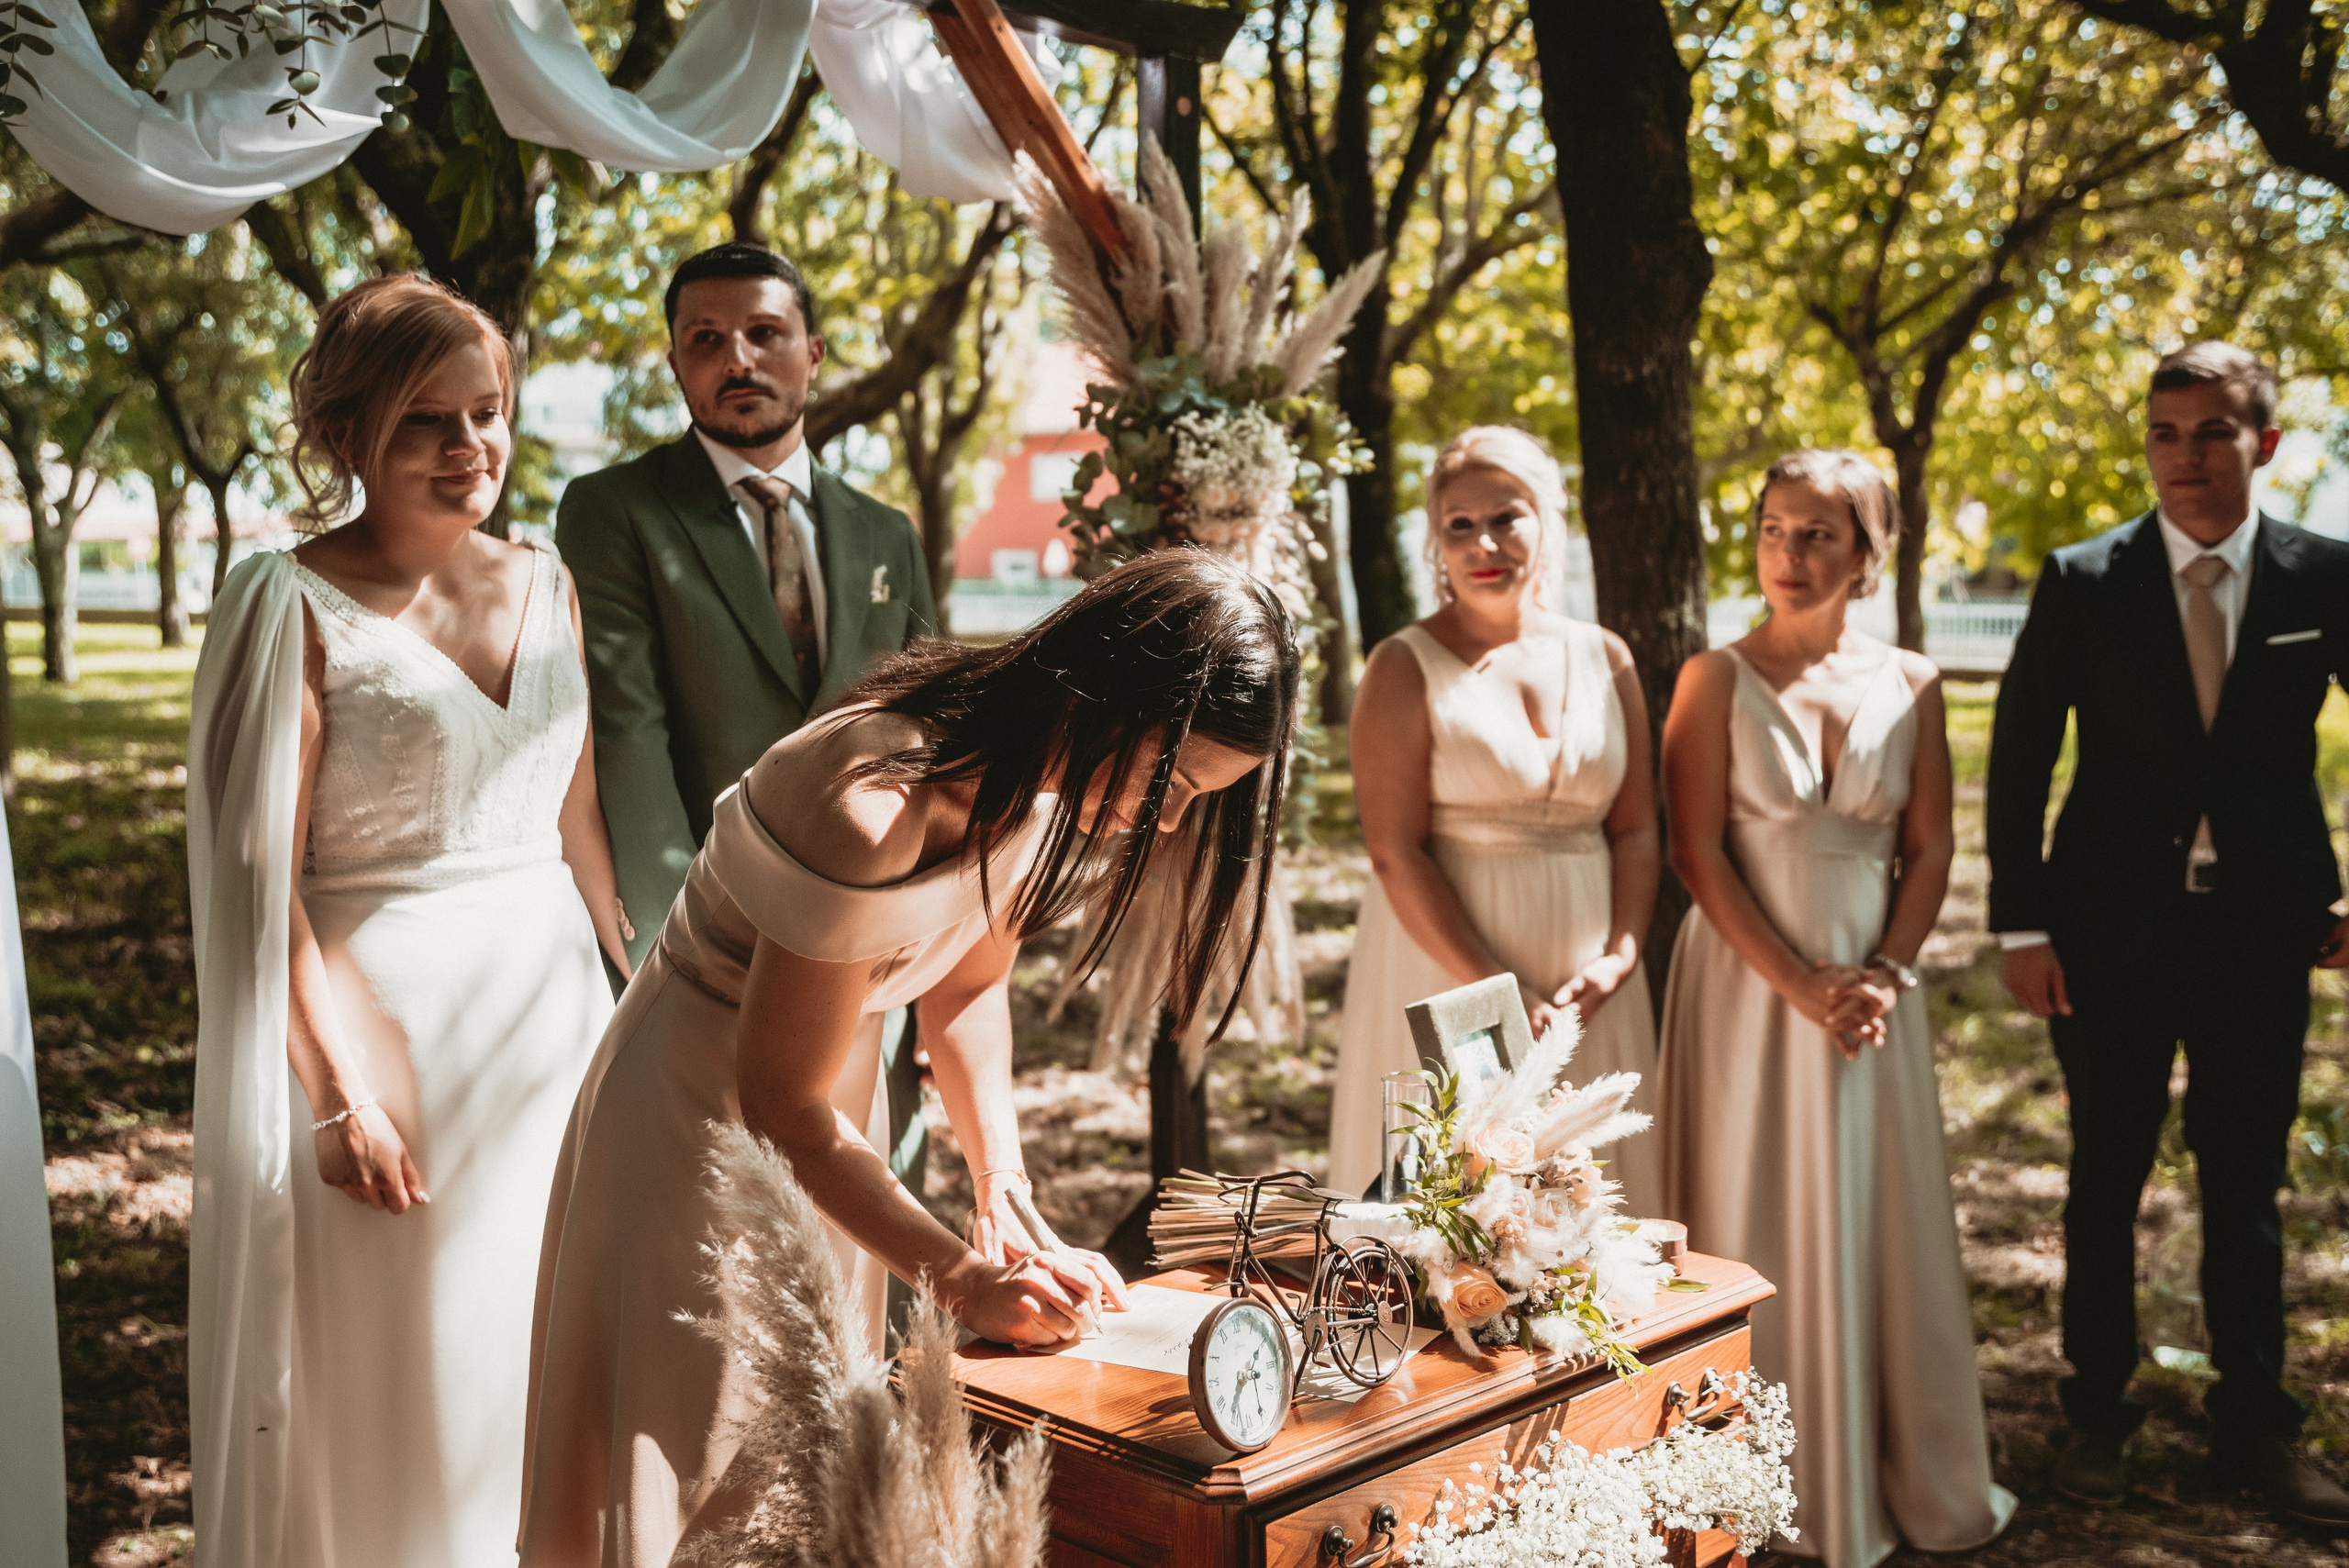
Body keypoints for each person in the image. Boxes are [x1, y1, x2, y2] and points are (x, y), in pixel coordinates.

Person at [518, 549, 1300, 1566]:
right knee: (688, 1448)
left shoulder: (1041, 784)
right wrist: (964, 1282)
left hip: (831, 1116)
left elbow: (966, 987)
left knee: (794, 1461)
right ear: (1116, 684)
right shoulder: (873, 797)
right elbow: (777, 1103)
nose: (1169, 816)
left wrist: (1000, 1181)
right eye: (1176, 778)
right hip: (698, 1120)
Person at [185, 274, 628, 1568]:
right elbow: (257, 880)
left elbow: (579, 822)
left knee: (548, 1369)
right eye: (426, 419)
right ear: (349, 434)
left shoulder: (550, 580)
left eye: (486, 412)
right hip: (388, 1050)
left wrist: (638, 1001)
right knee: (413, 1379)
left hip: (551, 1034)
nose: (468, 447)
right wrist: (335, 1095)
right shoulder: (286, 602)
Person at [1987, 343, 2349, 1525]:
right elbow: (2020, 755)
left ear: (2265, 444)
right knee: (2105, 1177)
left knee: (2245, 1184)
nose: (2185, 456)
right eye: (2165, 433)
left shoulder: (2321, 574)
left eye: (2211, 432)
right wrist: (2022, 920)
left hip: (2260, 933)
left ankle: (2252, 1428)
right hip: (2105, 937)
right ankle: (2097, 1413)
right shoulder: (2084, 576)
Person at [1656, 449, 2013, 1567]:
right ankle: (1737, 1487)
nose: (1789, 554)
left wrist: (1884, 975)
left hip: (1871, 994)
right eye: (1772, 528)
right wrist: (1798, 982)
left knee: (1874, 1213)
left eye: (1818, 533)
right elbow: (1694, 849)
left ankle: (1880, 1472)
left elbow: (1930, 842)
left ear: (1869, 550)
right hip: (1748, 986)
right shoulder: (1710, 677)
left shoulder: (1910, 680)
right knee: (1747, 1201)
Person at [555, 241, 939, 1209]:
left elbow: (931, 747)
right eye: (706, 339)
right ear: (678, 362)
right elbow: (627, 734)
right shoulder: (616, 510)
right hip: (706, 946)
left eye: (764, 333)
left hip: (878, 950)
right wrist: (685, 961)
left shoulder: (887, 531)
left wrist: (930, 980)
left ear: (813, 351)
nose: (738, 359)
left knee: (877, 1235)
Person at [1329, 427, 1662, 1212]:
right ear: (1435, 542)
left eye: (1507, 517)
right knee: (1459, 1212)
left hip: (1590, 985)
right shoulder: (1402, 665)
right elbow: (1394, 851)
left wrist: (1619, 957)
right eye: (1460, 524)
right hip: (1450, 969)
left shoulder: (1607, 656)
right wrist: (1498, 992)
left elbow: (1638, 827)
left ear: (1548, 520)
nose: (1485, 542)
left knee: (1595, 1204)